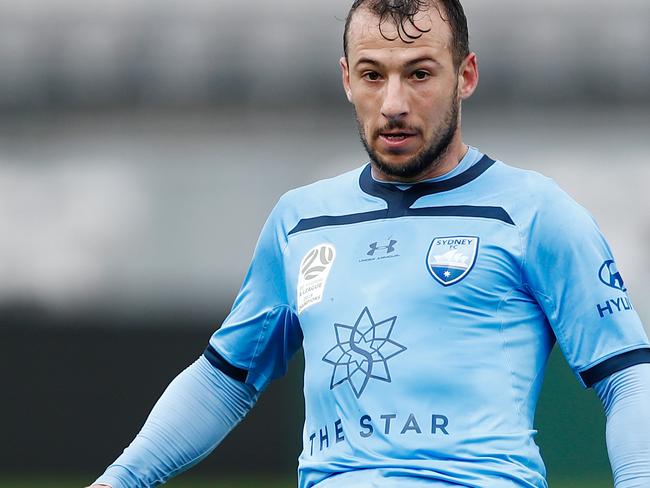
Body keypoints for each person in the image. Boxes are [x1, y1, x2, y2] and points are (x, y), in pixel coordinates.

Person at [89, 1, 650, 487]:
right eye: (373, 75)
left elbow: (627, 377)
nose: (394, 103)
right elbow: (224, 379)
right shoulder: (301, 219)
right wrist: (121, 478)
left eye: (420, 74)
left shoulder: (533, 212)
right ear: (346, 79)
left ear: (467, 75)